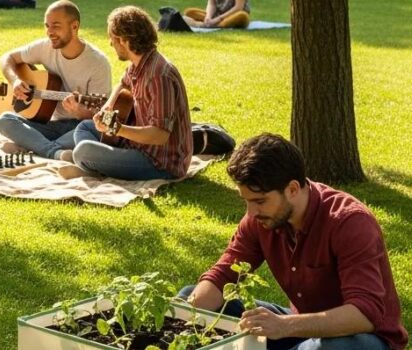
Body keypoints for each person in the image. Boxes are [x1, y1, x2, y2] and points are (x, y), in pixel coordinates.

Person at [179, 133, 408, 350]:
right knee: (191, 299)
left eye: (259, 201)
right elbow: (223, 276)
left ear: (292, 189)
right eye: (246, 201)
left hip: (362, 339)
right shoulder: (261, 219)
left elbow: (365, 314)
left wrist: (284, 326)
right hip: (300, 329)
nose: (251, 211)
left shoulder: (350, 223)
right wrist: (181, 317)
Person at [59, 6, 192, 181]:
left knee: (84, 151)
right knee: (84, 127)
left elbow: (160, 135)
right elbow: (122, 83)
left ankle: (89, 164)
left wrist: (118, 129)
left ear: (123, 40)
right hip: (137, 146)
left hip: (160, 162)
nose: (110, 43)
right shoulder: (139, 63)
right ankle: (91, 163)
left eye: (112, 38)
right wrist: (107, 108)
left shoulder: (159, 76)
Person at [0, 0, 111, 160]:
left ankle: (33, 146)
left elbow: (102, 116)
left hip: (79, 127)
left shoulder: (98, 63)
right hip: (48, 123)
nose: (49, 32)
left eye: (56, 26)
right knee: (5, 120)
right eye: (47, 26)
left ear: (74, 26)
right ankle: (53, 151)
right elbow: (7, 58)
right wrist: (15, 80)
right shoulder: (45, 47)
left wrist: (79, 111)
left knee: (96, 130)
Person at [182, 0, 250, 29]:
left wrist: (218, 19)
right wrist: (208, 17)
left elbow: (238, 7)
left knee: (242, 16)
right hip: (218, 15)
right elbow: (212, 4)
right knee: (189, 12)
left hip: (233, 15)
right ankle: (209, 23)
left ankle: (202, 25)